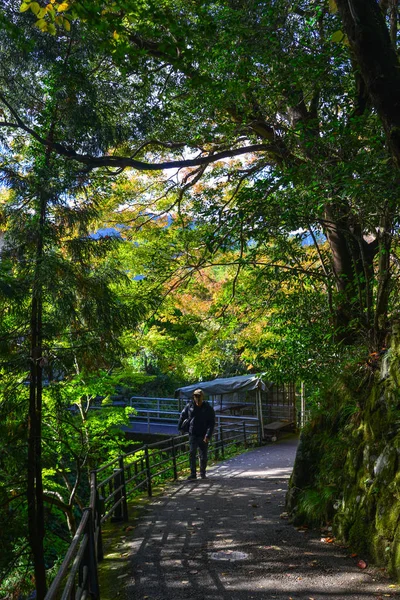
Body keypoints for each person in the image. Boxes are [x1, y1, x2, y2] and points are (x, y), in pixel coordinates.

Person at [178, 388, 215, 480]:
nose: (197, 398)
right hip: (193, 433)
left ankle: (202, 472)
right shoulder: (189, 406)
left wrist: (208, 435)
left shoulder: (208, 408)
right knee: (192, 453)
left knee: (203, 455)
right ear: (193, 397)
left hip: (203, 434)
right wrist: (180, 427)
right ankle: (193, 473)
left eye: (199, 396)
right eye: (195, 396)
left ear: (202, 396)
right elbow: (182, 416)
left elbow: (211, 423)